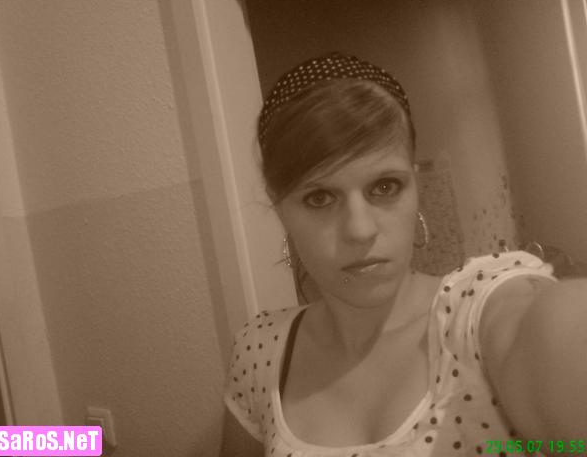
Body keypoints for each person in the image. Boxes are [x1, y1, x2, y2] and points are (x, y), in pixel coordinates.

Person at [220, 52, 587, 456]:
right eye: (319, 197)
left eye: (384, 187)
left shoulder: (477, 316)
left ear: (414, 183)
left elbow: (552, 334)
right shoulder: (260, 353)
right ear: (279, 206)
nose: (360, 230)